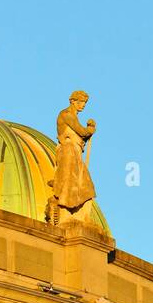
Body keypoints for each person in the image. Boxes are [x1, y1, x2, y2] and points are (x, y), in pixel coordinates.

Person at [48, 91, 96, 222]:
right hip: (68, 152)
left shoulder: (73, 116)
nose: (82, 105)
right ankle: (62, 207)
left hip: (75, 153)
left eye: (84, 103)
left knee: (85, 185)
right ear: (72, 101)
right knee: (70, 182)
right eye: (80, 102)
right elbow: (81, 131)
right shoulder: (66, 115)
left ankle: (79, 214)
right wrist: (90, 129)